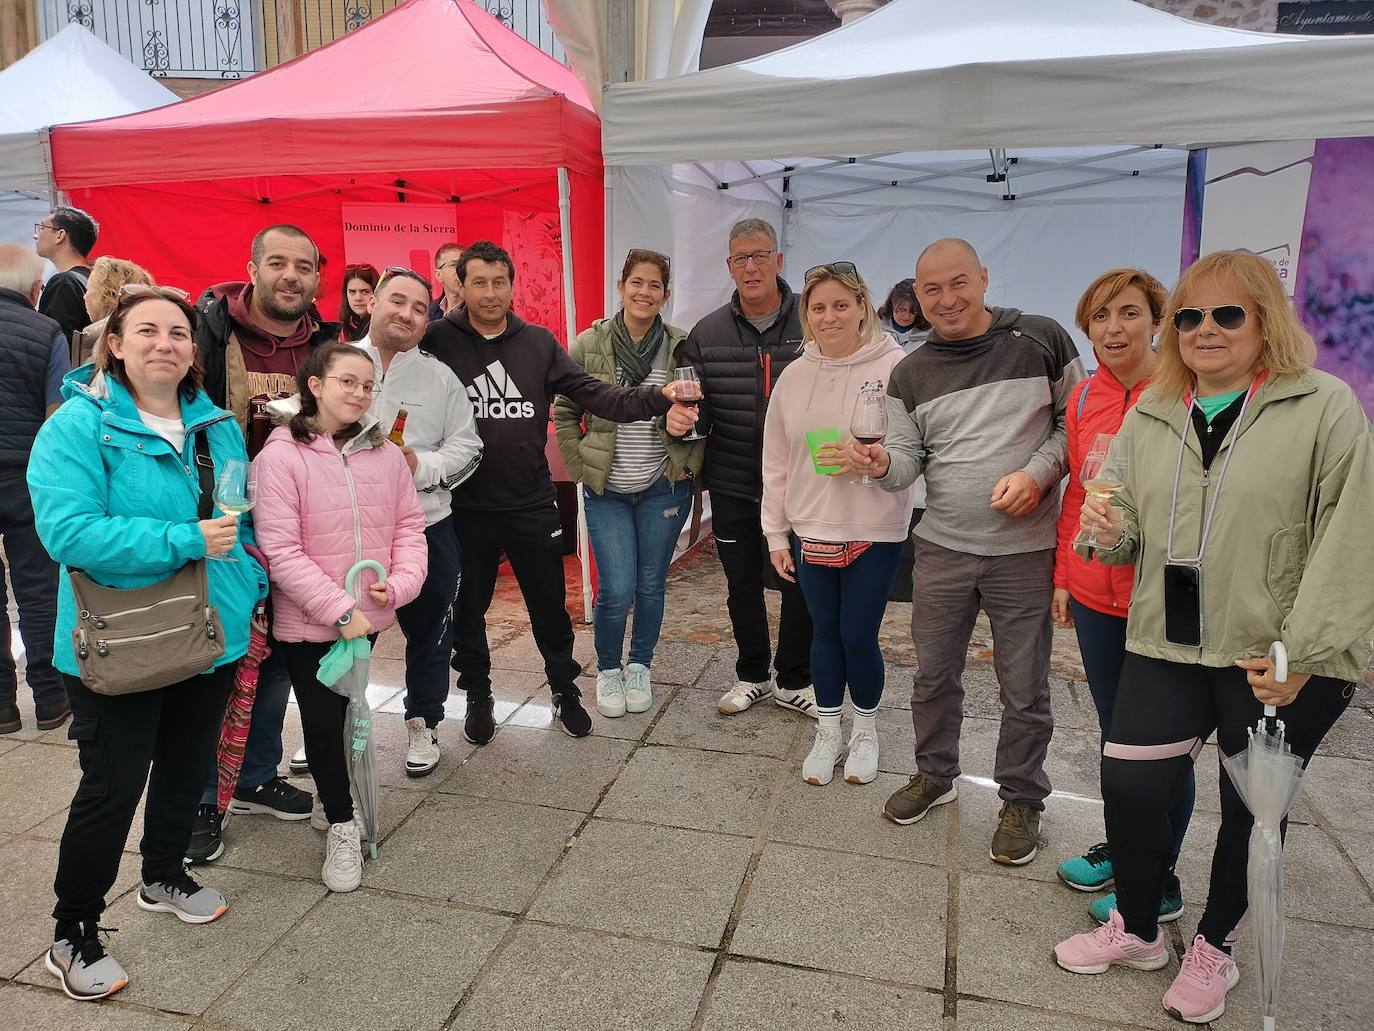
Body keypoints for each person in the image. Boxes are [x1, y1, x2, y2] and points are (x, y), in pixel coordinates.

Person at [1054, 251, 1374, 1024]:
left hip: (1274, 655)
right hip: (1169, 641)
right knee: (1129, 785)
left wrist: (1301, 652)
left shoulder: (1323, 405)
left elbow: (1352, 534)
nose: (1205, 330)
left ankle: (1215, 946)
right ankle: (1137, 924)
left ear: (1265, 320)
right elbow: (1128, 520)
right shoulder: (1155, 407)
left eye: (1228, 314)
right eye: (1191, 316)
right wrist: (1109, 528)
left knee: (1251, 808)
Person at [28, 285, 266, 1000]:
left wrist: (248, 585)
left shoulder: (214, 424)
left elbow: (238, 518)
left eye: (179, 331)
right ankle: (73, 930)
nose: (166, 341)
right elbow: (69, 534)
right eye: (148, 330)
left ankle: (163, 871)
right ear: (117, 344)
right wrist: (181, 539)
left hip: (208, 633)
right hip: (117, 640)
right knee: (112, 784)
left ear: (195, 350)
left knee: (188, 762)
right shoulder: (77, 427)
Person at [842, 238, 1084, 865]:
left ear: (982, 277)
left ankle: (1023, 798)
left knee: (1024, 685)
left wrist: (1037, 474)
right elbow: (905, 466)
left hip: (1024, 552)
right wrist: (878, 463)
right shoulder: (911, 371)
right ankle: (935, 775)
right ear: (914, 297)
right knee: (932, 678)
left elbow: (1074, 426)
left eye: (957, 283)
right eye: (931, 290)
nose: (946, 300)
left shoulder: (1040, 339)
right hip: (944, 547)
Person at [423, 240, 692, 743]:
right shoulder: (436, 341)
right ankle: (478, 694)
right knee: (469, 611)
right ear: (460, 284)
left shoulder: (539, 343)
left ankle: (564, 690)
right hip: (463, 506)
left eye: (499, 281)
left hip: (530, 503)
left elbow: (596, 395)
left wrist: (658, 396)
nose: (489, 292)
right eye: (477, 281)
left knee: (549, 609)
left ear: (511, 284)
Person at [187, 224, 339, 863]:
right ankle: (198, 800)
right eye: (277, 263)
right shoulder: (208, 332)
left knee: (275, 657)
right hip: (222, 528)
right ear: (251, 267)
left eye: (302, 267)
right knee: (215, 664)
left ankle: (253, 774)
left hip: (295, 528)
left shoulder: (327, 344)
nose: (290, 276)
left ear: (316, 279)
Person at [253, 342, 427, 892]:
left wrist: (395, 587)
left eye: (367, 384)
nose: (357, 393)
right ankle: (342, 824)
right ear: (316, 385)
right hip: (311, 623)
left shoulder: (386, 454)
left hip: (364, 619)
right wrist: (339, 608)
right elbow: (279, 551)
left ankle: (335, 802)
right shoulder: (281, 456)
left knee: (352, 715)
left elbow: (410, 529)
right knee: (324, 724)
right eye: (345, 382)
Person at [1051, 269, 1193, 927]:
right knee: (1116, 738)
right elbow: (1078, 495)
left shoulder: (1186, 395)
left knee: (1159, 746)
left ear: (1156, 319)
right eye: (1101, 316)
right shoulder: (1083, 399)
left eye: (1129, 313)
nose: (1114, 329)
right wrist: (1063, 576)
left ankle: (1159, 879)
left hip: (1162, 599)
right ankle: (1128, 847)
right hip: (1094, 595)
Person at [761, 261, 916, 785]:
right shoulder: (794, 374)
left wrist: (876, 464)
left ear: (862, 309)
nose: (830, 317)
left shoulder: (895, 366)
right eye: (819, 307)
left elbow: (913, 446)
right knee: (823, 633)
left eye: (841, 305)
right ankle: (829, 732)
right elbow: (776, 459)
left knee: (858, 635)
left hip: (874, 526)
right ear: (807, 314)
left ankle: (866, 731)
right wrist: (775, 532)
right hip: (812, 528)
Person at [554, 249, 704, 718]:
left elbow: (701, 413)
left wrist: (685, 462)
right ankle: (608, 669)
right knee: (615, 588)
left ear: (666, 294)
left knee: (651, 584)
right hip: (608, 490)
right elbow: (564, 411)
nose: (645, 292)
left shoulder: (679, 346)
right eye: (636, 283)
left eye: (655, 285)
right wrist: (581, 467)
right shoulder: (588, 345)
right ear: (621, 287)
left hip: (663, 485)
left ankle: (640, 664)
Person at [677, 218, 817, 720]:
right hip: (735, 481)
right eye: (741, 258)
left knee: (802, 584)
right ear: (730, 267)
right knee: (741, 585)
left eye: (761, 255)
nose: (751, 266)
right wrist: (682, 422)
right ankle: (753, 673)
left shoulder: (814, 319)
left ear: (779, 261)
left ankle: (796, 677)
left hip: (804, 485)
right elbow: (698, 411)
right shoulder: (707, 331)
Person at [358, 268, 481, 774]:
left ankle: (423, 722)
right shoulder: (337, 363)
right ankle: (337, 722)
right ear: (372, 303)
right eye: (397, 301)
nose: (406, 314)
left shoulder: (439, 376)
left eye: (418, 307)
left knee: (431, 630)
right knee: (344, 632)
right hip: (352, 529)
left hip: (427, 525)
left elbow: (468, 447)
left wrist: (421, 467)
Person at [0, 243, 71, 735]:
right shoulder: (46, 330)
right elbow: (56, 415)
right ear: (34, 287)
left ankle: (2, 707)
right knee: (37, 587)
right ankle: (50, 700)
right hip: (25, 471)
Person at [33, 206, 99, 347]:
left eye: (41, 228)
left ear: (60, 235)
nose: (35, 235)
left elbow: (57, 347)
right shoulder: (91, 280)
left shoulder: (64, 283)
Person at [73, 257, 155, 367]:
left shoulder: (108, 343)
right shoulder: (144, 334)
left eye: (88, 290)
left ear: (105, 294)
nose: (84, 296)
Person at [877, 277, 931, 353]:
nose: (907, 316)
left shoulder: (931, 337)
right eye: (902, 310)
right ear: (892, 303)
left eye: (913, 311)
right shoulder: (872, 330)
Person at [338, 263, 378, 342]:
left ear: (376, 293)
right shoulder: (341, 331)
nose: (358, 298)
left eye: (365, 292)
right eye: (352, 292)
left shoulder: (384, 328)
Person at [431, 242, 465, 321]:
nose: (461, 270)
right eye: (454, 265)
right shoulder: (429, 311)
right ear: (439, 275)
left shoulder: (477, 311)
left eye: (464, 265)